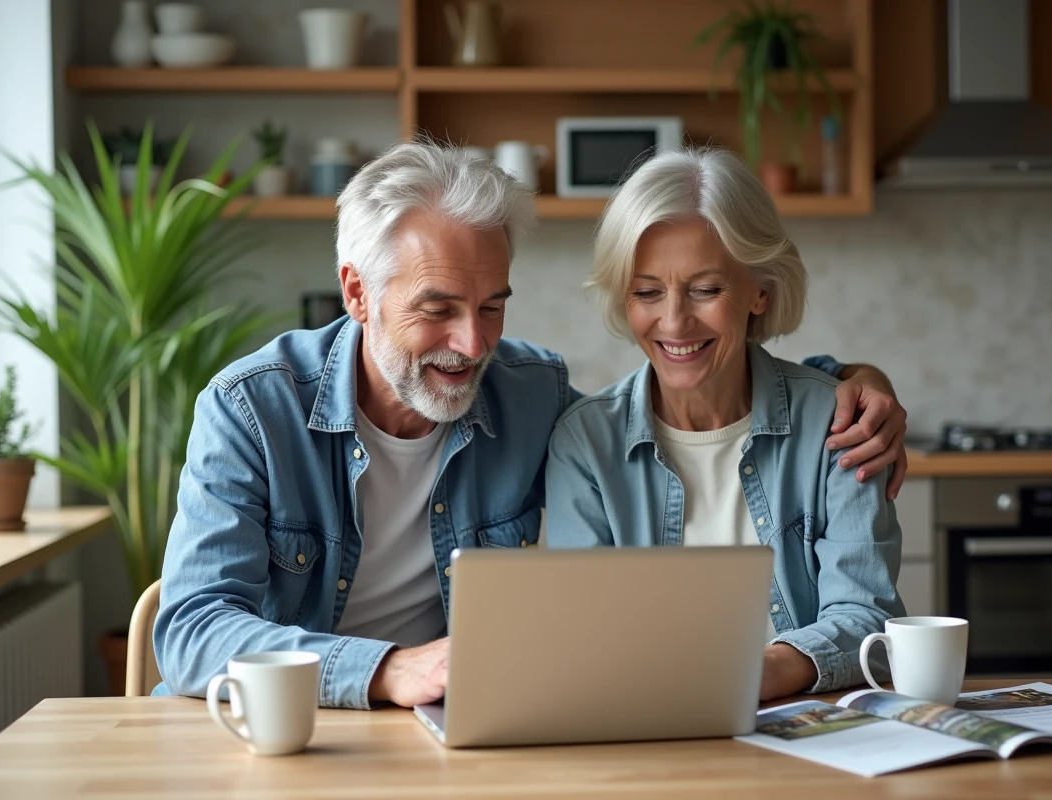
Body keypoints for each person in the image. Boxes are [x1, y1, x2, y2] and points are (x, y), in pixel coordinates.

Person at [154, 140, 907, 710]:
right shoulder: (251, 410)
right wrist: (386, 668)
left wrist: (852, 379)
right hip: (287, 728)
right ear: (357, 292)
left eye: (492, 307)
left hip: (456, 726)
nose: (471, 345)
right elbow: (189, 630)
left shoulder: (531, 395)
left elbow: (697, 397)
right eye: (438, 309)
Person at [544, 146, 906, 701]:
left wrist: (753, 674)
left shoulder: (838, 426)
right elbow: (583, 634)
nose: (673, 322)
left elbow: (866, 618)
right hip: (647, 721)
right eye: (647, 292)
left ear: (760, 290)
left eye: (706, 290)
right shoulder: (584, 445)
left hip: (804, 726)